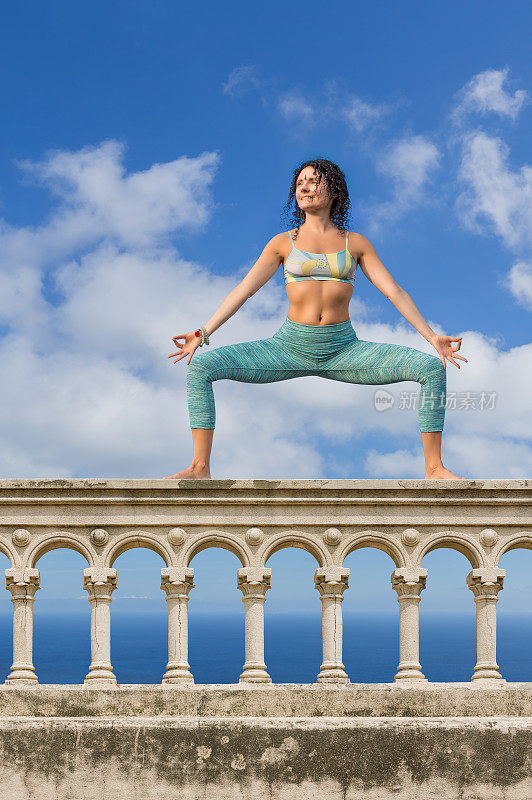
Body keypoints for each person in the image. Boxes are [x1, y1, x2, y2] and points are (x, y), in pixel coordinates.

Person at [165, 158, 467, 480]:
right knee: (200, 367)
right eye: (299, 184)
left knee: (431, 368)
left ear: (334, 190)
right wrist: (204, 332)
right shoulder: (283, 243)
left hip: (344, 350)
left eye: (313, 181)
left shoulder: (356, 243)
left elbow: (394, 291)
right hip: (287, 347)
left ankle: (434, 469)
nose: (304, 188)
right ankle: (200, 467)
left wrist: (431, 336)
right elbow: (244, 290)